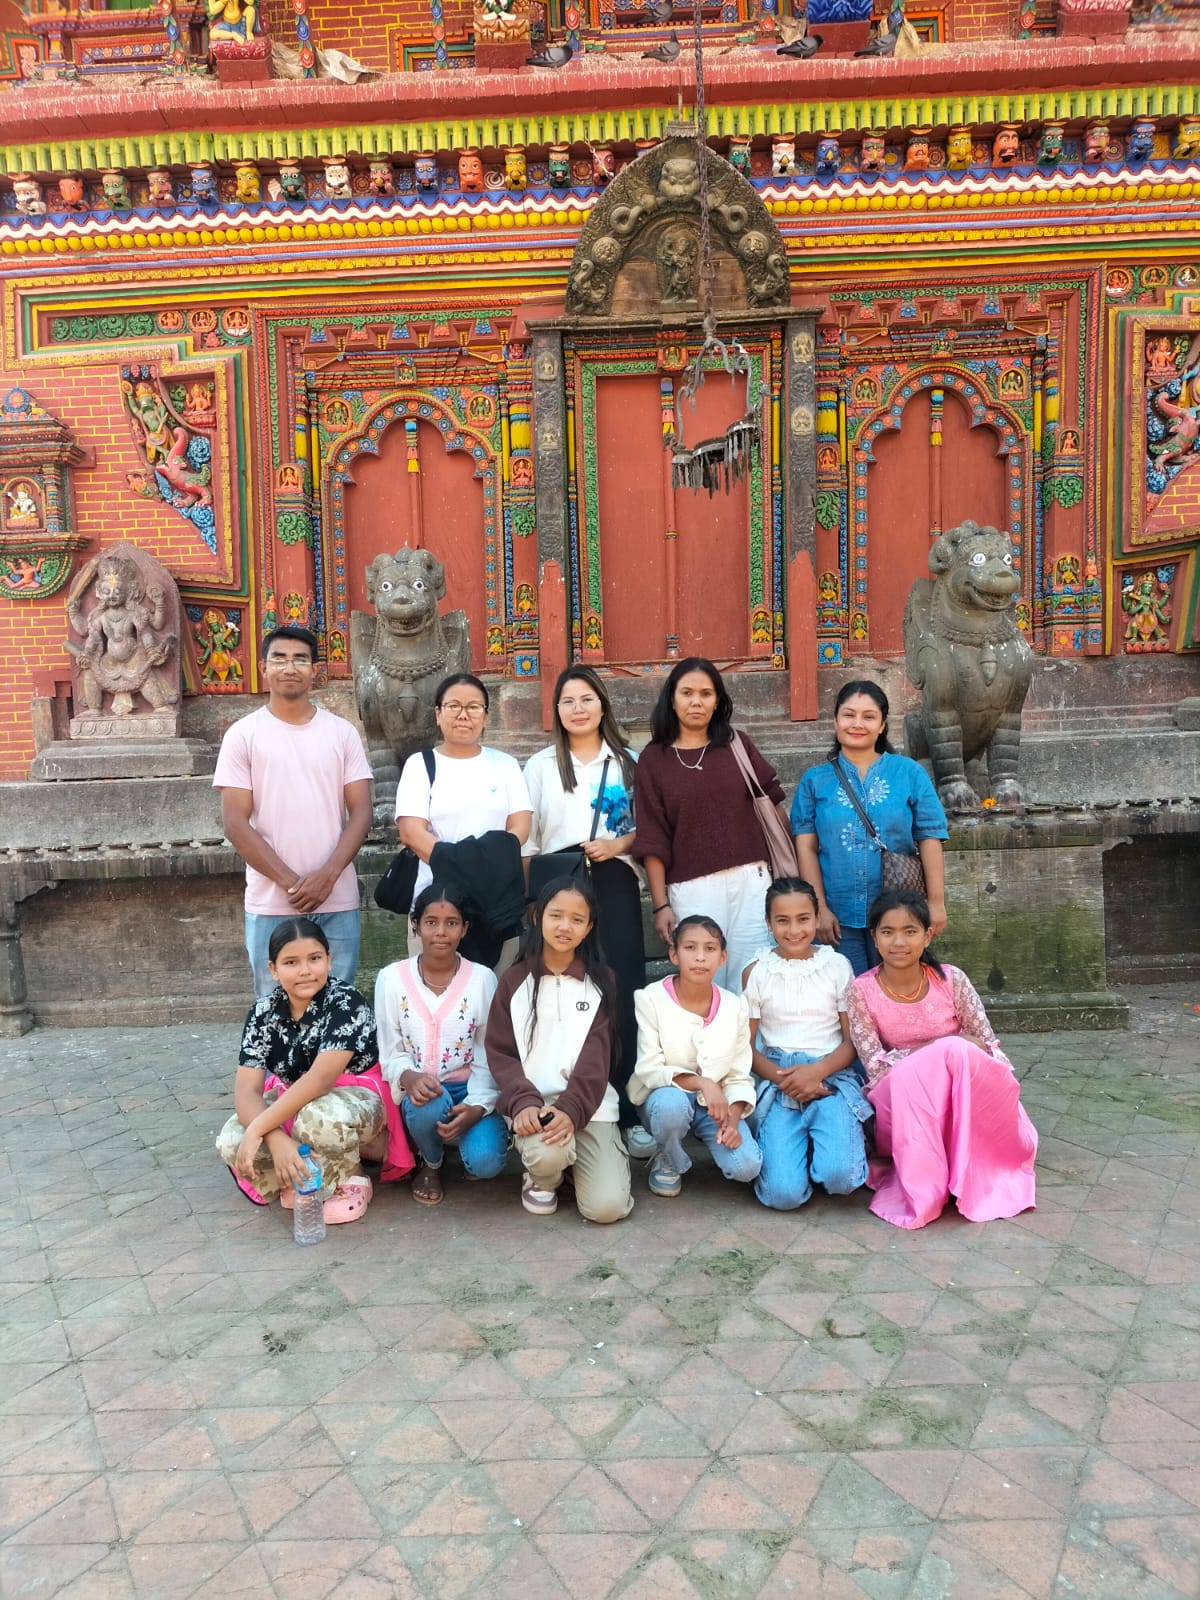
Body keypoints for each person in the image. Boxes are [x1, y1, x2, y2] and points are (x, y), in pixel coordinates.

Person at [845, 889, 1038, 1229]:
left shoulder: (951, 980)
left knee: (959, 1053)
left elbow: (987, 1043)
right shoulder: (861, 990)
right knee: (952, 1049)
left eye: (910, 931)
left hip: (958, 1086)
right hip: (900, 1092)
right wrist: (937, 1047)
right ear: (874, 937)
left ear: (928, 934)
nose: (898, 942)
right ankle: (928, 1182)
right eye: (888, 932)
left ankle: (972, 1163)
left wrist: (953, 1055)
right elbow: (875, 1065)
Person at [523, 664, 653, 1158]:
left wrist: (616, 844)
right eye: (567, 701)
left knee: (621, 988)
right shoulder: (540, 766)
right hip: (558, 886)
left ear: (603, 705)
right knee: (564, 988)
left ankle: (628, 1108)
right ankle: (563, 1100)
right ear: (556, 711)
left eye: (587, 699)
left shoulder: (627, 762)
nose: (578, 709)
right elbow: (530, 840)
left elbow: (647, 828)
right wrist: (533, 902)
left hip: (615, 882)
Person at [216, 917, 413, 1224]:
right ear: (273, 969)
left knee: (316, 1116)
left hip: (355, 1098)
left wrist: (259, 1128)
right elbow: (246, 1091)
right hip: (295, 1102)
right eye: (291, 962)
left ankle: (352, 1177)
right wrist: (275, 1140)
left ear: (329, 960)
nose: (305, 970)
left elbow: (320, 1081)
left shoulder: (345, 1002)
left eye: (314, 958)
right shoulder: (262, 1013)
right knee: (232, 1137)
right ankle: (296, 1172)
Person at [214, 625, 373, 998]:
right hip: (271, 902)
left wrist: (327, 878)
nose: (290, 668)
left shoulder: (342, 733)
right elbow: (235, 822)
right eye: (279, 659)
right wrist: (292, 883)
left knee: (336, 1007)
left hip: (337, 899)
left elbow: (362, 812)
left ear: (314, 670)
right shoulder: (243, 735)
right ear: (263, 668)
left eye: (300, 660)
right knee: (276, 1010)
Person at [634, 657, 789, 992]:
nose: (696, 701)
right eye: (687, 693)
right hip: (692, 889)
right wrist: (660, 904)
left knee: (755, 979)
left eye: (706, 694)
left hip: (752, 882)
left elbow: (772, 803)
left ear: (717, 701)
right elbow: (652, 836)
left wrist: (790, 874)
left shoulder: (737, 744)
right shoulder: (653, 759)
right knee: (704, 982)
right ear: (671, 699)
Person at [485, 878, 633, 1223]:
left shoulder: (602, 982)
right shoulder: (513, 981)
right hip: (534, 1106)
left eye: (577, 919)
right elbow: (501, 1052)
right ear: (537, 917)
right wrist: (523, 1101)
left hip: (589, 1106)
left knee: (606, 1208)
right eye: (556, 915)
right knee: (548, 1157)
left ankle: (580, 1162)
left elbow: (598, 1058)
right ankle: (544, 1177)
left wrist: (570, 1108)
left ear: (588, 928)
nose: (565, 926)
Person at [791, 680, 948, 977]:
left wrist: (936, 903)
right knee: (845, 992)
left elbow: (930, 837)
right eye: (849, 715)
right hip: (837, 915)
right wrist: (819, 909)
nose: (857, 724)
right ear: (836, 720)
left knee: (894, 990)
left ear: (882, 725)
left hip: (898, 915)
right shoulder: (814, 781)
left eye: (869, 716)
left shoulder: (909, 773)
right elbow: (806, 848)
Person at [375, 883, 509, 1206]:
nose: (440, 932)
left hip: (469, 1089)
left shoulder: (482, 980)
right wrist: (408, 1076)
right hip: (421, 1093)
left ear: (465, 929)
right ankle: (431, 1162)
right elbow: (390, 1049)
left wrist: (478, 1107)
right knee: (428, 1104)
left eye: (451, 923)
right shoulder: (391, 979)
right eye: (431, 922)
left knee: (486, 1163)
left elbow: (489, 1052)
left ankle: (465, 1138)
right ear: (416, 925)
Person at [742, 878, 871, 1211]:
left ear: (817, 918)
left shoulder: (837, 966)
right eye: (782, 921)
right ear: (768, 922)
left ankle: (824, 1144)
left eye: (803, 919)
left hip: (830, 1077)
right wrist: (787, 1079)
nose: (794, 930)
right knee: (782, 1195)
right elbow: (745, 1047)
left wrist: (816, 1073)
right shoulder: (756, 971)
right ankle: (798, 1149)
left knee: (840, 1179)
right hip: (779, 1078)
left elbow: (852, 1041)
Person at [395, 673, 532, 972]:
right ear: (438, 713)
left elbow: (520, 828)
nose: (463, 715)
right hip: (437, 902)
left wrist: (478, 868)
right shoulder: (420, 765)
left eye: (473, 707)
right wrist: (467, 870)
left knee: (495, 989)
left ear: (486, 716)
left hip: (496, 900)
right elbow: (411, 832)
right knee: (435, 987)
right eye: (453, 706)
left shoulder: (505, 765)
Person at [628, 914, 762, 1199]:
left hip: (714, 1107)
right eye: (690, 948)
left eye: (710, 949)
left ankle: (705, 1132)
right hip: (665, 1099)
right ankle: (669, 1155)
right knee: (670, 1106)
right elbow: (650, 1069)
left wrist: (733, 1121)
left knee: (747, 1168)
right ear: (674, 955)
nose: (700, 957)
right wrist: (703, 1083)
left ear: (723, 957)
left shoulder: (735, 1006)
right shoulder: (651, 998)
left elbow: (739, 1075)